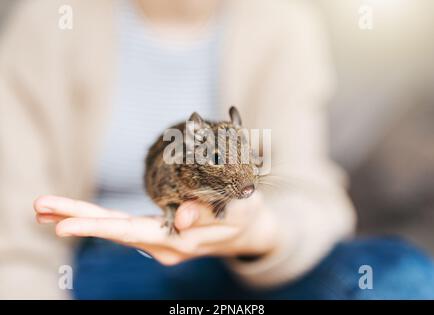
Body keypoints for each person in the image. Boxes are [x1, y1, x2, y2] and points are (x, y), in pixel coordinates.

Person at [1, 0, 434, 299]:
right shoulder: (48, 21)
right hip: (102, 260)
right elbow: (15, 219)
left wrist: (261, 233)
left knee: (402, 277)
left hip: (249, 263)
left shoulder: (284, 24)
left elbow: (309, 191)